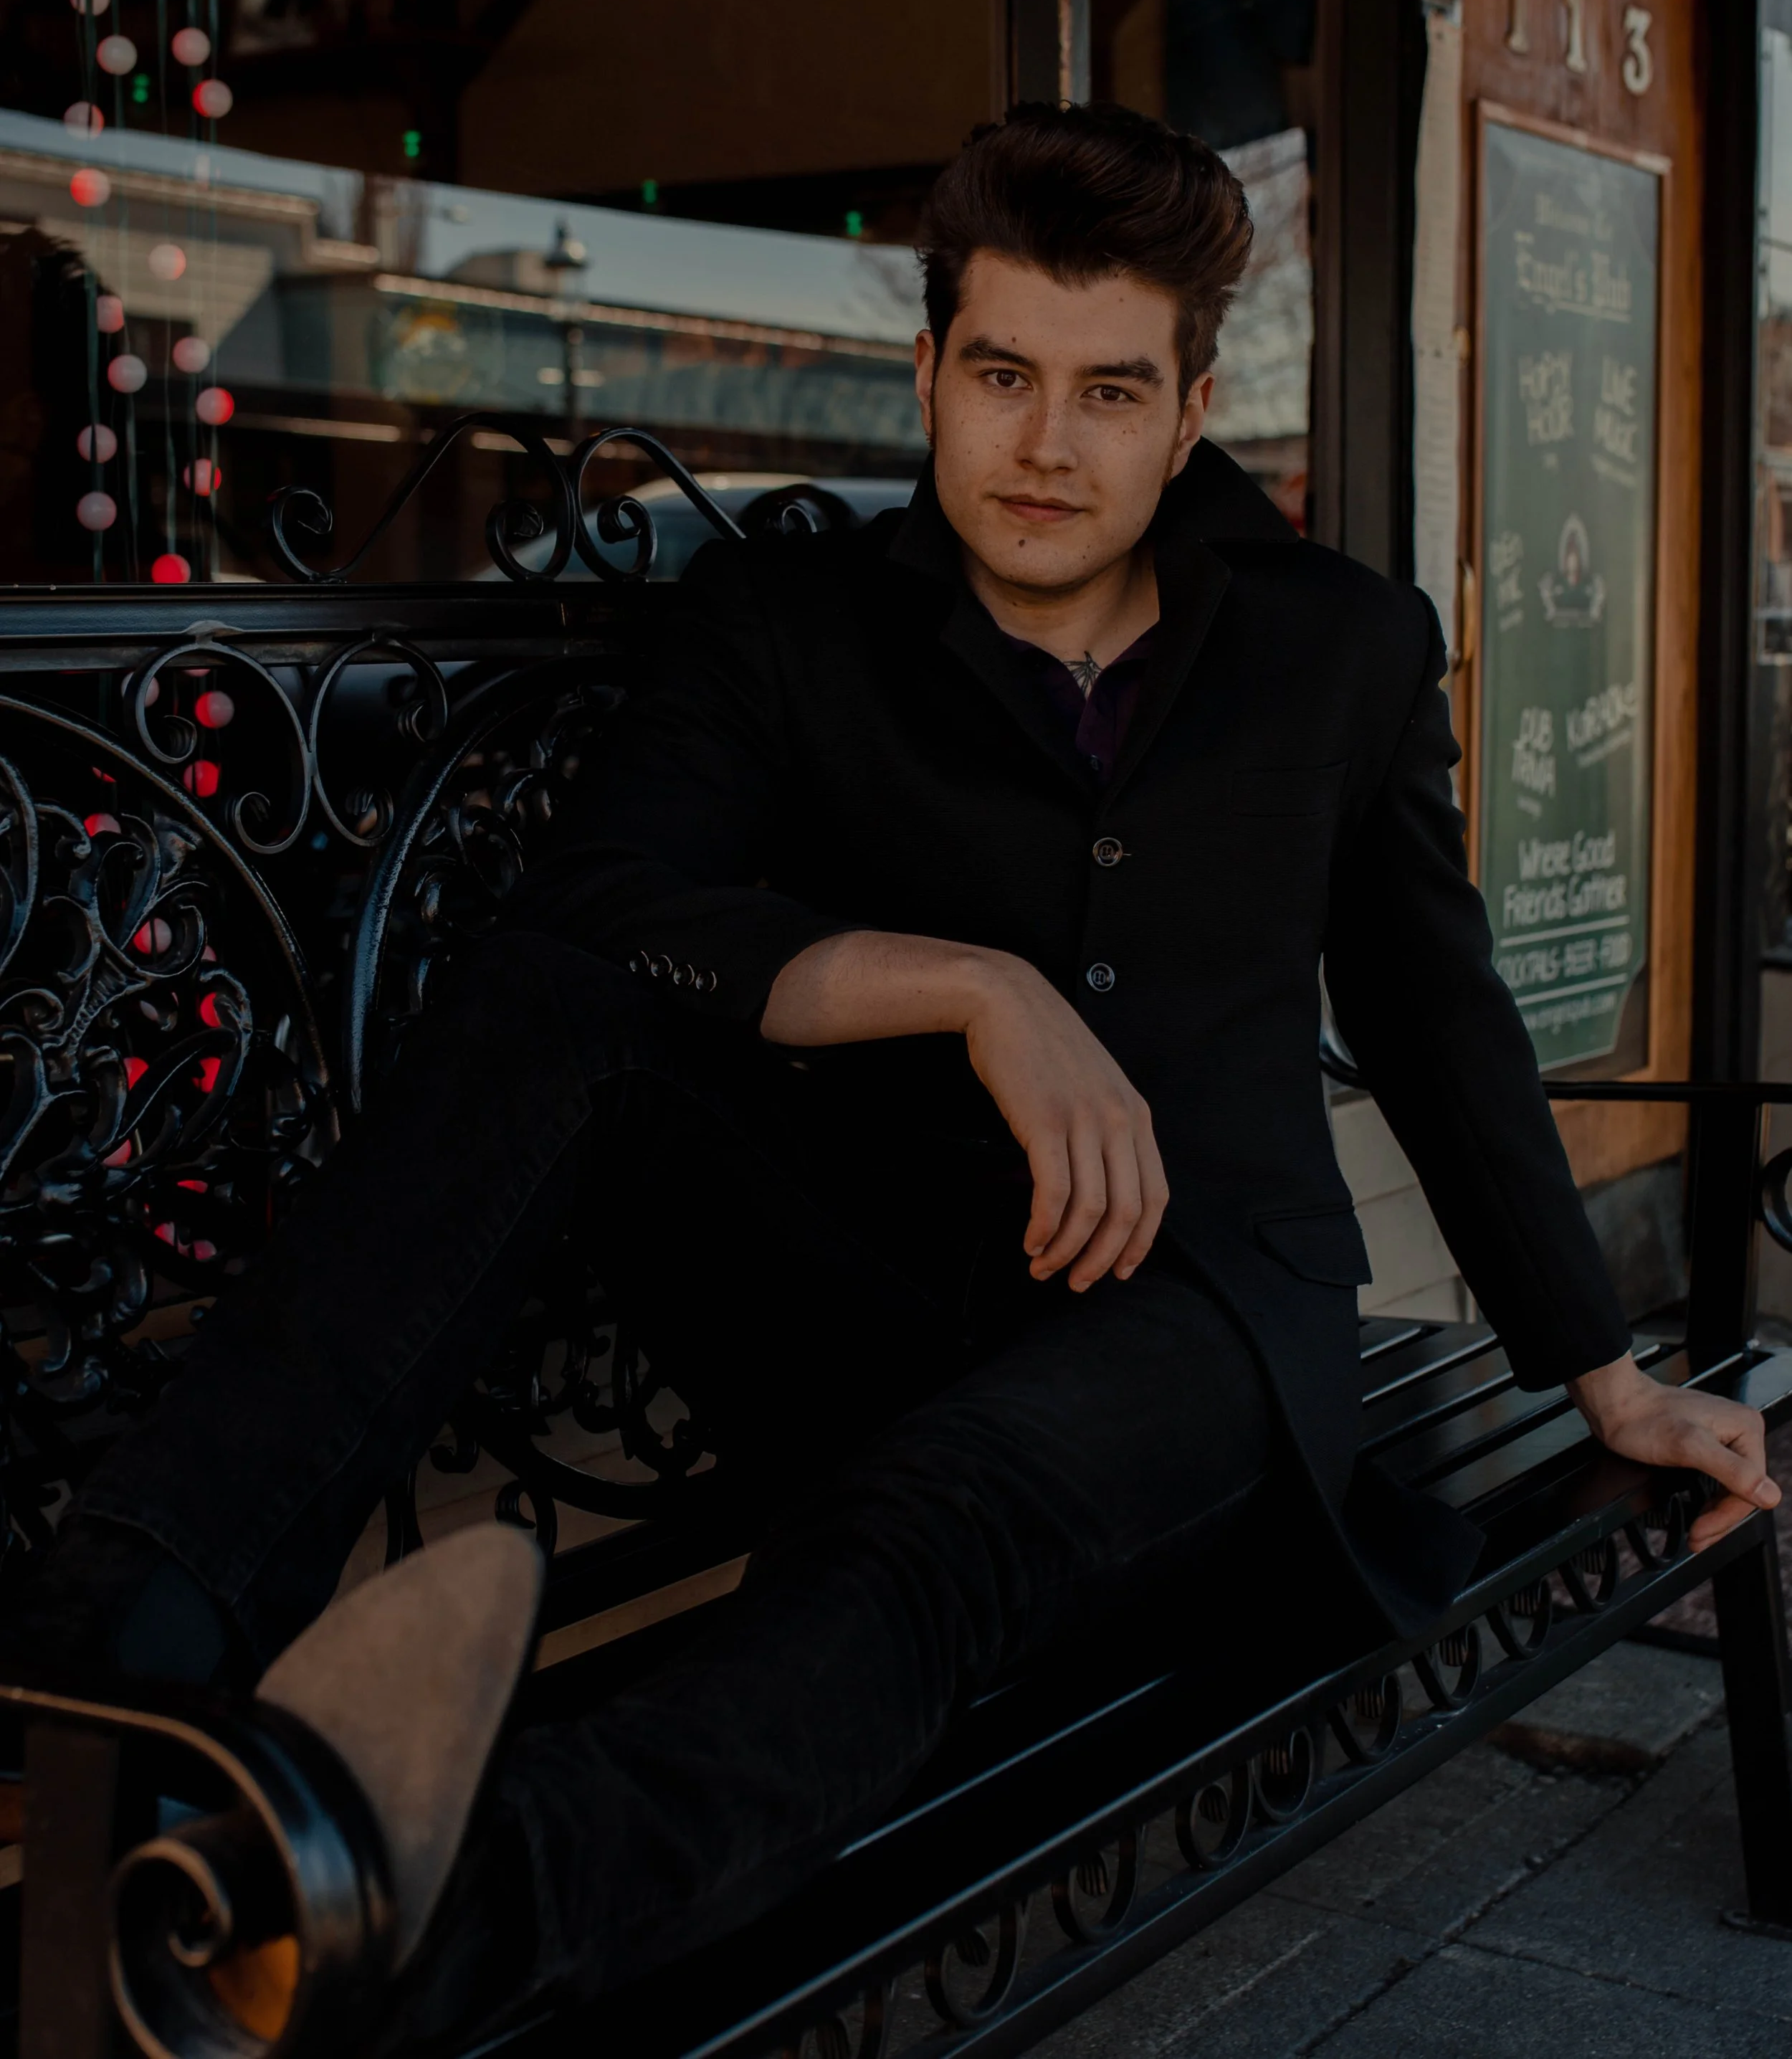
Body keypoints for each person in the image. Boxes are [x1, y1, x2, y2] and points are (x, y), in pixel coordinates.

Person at [13, 104, 1778, 2054]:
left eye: (1109, 391)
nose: (1046, 444)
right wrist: (966, 985)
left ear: (1190, 412)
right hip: (868, 1287)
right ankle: (128, 1645)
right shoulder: (790, 626)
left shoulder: (1335, 649)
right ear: (930, 373)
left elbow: (1438, 1011)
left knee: (921, 1529)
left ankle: (378, 1932)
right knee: (560, 1005)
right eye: (1003, 375)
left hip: (1199, 1328)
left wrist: (1602, 1368)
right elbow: (604, 910)